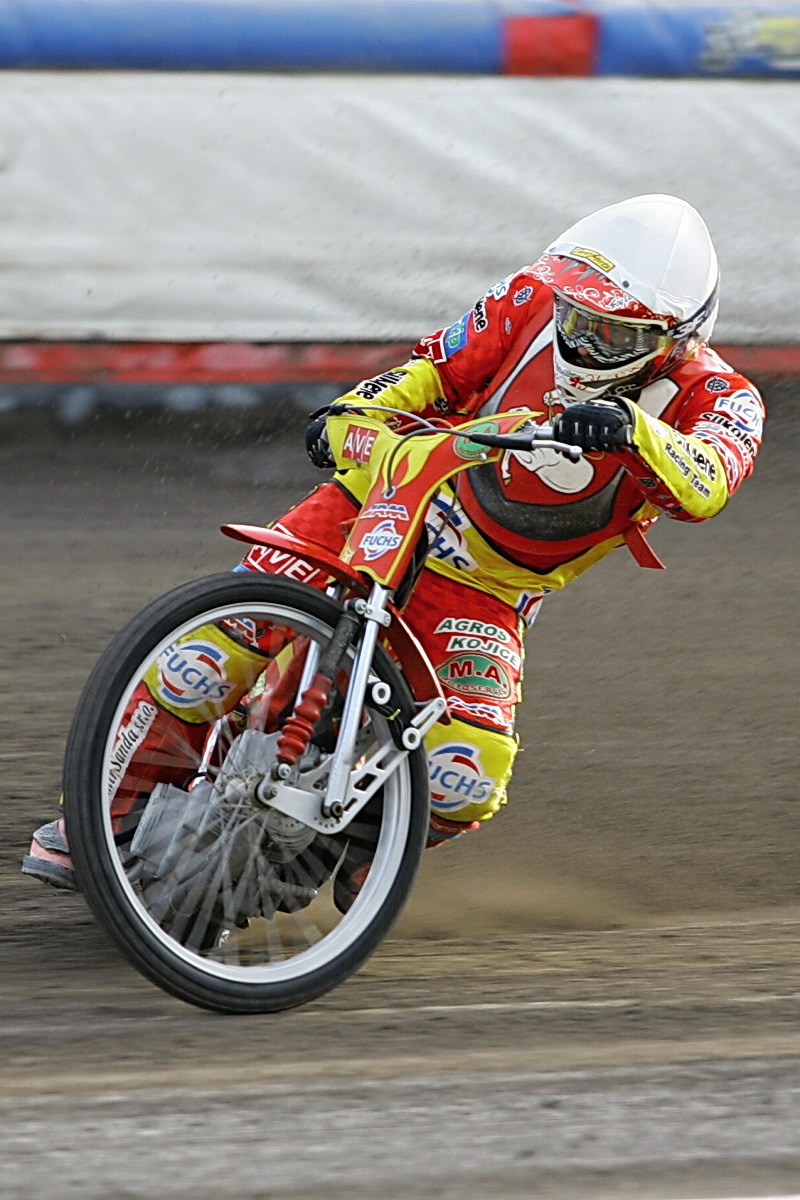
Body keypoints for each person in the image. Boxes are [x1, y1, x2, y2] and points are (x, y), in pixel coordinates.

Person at [23, 193, 765, 903]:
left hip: (488, 588)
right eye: (577, 317)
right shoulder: (526, 298)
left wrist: (636, 432)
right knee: (204, 657)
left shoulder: (724, 399)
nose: (584, 342)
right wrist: (351, 413)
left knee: (465, 777)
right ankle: (102, 821)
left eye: (617, 335)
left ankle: (349, 859)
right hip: (383, 501)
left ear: (679, 340)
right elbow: (428, 373)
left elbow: (709, 483)